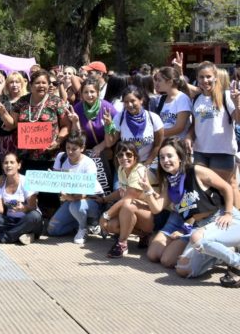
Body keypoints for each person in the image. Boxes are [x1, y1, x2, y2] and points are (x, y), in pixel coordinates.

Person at [139, 138, 233, 271]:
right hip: (178, 218)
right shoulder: (168, 179)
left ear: (180, 157)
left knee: (167, 261)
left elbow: (226, 187)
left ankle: (218, 254)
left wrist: (228, 213)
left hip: (197, 221)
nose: (165, 160)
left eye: (169, 156)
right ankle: (182, 247)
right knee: (153, 255)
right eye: (162, 157)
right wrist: (148, 190)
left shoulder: (196, 170)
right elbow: (156, 208)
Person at [186, 61, 240, 207]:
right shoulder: (196, 99)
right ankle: (216, 218)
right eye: (201, 77)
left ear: (215, 77)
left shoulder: (226, 96)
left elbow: (238, 120)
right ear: (197, 78)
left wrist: (237, 103)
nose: (205, 80)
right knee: (205, 189)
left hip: (222, 151)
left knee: (225, 188)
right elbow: (195, 124)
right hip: (200, 152)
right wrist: (189, 137)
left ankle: (234, 217)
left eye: (208, 76)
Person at [0, 69, 71, 172]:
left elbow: (66, 126)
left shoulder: (56, 102)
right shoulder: (22, 102)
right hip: (25, 156)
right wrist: (3, 112)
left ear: (49, 85)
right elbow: (12, 125)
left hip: (50, 156)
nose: (41, 86)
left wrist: (58, 142)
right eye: (37, 83)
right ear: (31, 85)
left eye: (44, 83)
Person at [99, 143, 155, 258]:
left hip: (154, 215)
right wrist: (104, 199)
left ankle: (122, 244)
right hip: (137, 210)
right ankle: (144, 235)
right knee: (111, 225)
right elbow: (121, 192)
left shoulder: (139, 170)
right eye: (120, 155)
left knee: (127, 205)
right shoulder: (121, 169)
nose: (124, 158)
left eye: (129, 154)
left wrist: (105, 215)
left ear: (135, 157)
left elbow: (129, 197)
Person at [45, 133, 103, 245]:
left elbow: (85, 192)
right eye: (68, 148)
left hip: (91, 199)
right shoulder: (61, 157)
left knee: (75, 206)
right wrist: (51, 178)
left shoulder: (89, 164)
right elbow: (57, 180)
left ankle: (83, 228)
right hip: (70, 199)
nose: (70, 152)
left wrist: (69, 197)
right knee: (53, 229)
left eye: (74, 149)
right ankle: (84, 223)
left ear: (82, 148)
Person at [0, 152, 42, 245]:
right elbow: (0, 210)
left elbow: (33, 207)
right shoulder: (0, 183)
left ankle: (4, 237)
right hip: (11, 221)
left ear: (19, 165)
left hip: (28, 220)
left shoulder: (26, 181)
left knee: (35, 216)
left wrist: (24, 208)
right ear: (2, 166)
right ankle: (22, 234)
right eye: (6, 163)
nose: (8, 165)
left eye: (12, 162)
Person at [104, 85, 164, 167]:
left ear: (141, 100)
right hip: (128, 164)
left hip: (149, 164)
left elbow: (158, 145)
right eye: (126, 102)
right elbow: (109, 143)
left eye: (133, 101)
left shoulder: (153, 118)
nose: (129, 105)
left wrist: (146, 164)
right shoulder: (119, 118)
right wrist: (108, 126)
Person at [151, 66, 191, 140]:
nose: (156, 83)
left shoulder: (182, 99)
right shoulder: (161, 99)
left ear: (170, 82)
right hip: (162, 142)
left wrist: (156, 133)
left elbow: (179, 128)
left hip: (176, 143)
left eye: (159, 80)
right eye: (156, 80)